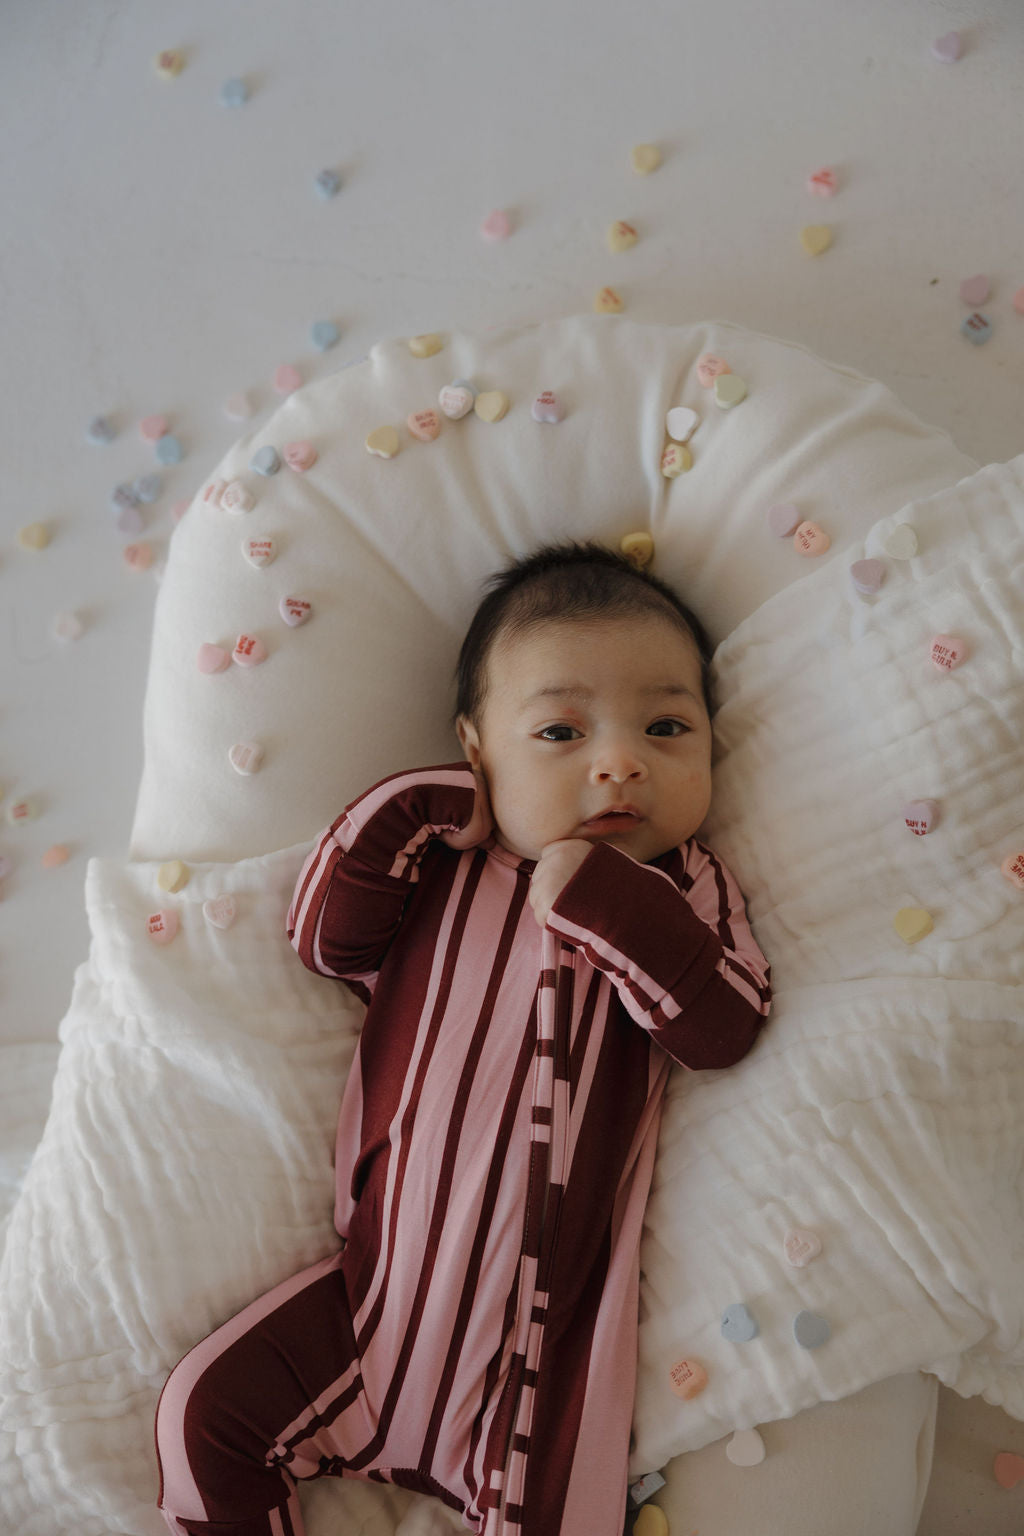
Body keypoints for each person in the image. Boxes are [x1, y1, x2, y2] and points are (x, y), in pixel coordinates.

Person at [154, 538, 773, 1536]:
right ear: (477, 748)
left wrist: (615, 904)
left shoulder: (686, 890)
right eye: (561, 732)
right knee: (204, 1416)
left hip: (540, 1377)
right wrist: (403, 810)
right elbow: (324, 942)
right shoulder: (444, 870)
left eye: (666, 726)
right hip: (370, 1307)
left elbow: (724, 1029)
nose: (619, 761)